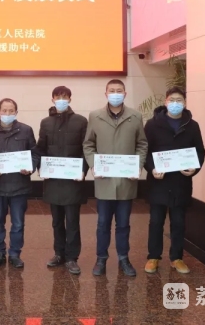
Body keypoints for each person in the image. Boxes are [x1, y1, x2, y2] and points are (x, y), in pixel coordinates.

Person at [83, 79, 148, 277]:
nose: (115, 94)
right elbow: (88, 144)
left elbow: (142, 144)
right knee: (103, 223)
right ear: (106, 94)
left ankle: (123, 258)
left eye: (119, 90)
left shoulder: (135, 116)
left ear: (125, 94)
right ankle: (101, 258)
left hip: (126, 180)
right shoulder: (95, 116)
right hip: (104, 180)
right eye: (112, 91)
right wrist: (94, 164)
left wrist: (138, 165)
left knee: (124, 224)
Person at [142, 87, 205, 274]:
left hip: (181, 182)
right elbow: (145, 151)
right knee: (156, 221)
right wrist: (152, 168)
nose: (175, 103)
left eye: (179, 100)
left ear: (184, 103)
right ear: (166, 102)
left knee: (178, 222)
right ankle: (153, 257)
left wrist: (194, 168)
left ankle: (177, 258)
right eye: (172, 100)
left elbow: (199, 151)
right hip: (158, 182)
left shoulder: (192, 125)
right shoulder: (152, 124)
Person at [36, 86, 89, 275]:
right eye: (57, 97)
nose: (61, 100)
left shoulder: (81, 121)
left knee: (72, 221)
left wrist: (83, 170)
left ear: (70, 99)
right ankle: (59, 253)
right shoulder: (46, 122)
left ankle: (72, 257)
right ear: (52, 99)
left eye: (64, 97)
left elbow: (86, 149)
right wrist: (41, 168)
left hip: (73, 180)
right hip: (53, 180)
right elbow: (41, 148)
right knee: (57, 221)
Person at [0, 98, 40, 269]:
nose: (7, 114)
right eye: (4, 110)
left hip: (19, 186)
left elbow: (34, 153)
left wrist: (30, 167)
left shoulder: (26, 130)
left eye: (11, 111)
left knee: (18, 223)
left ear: (16, 112)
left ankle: (15, 254)